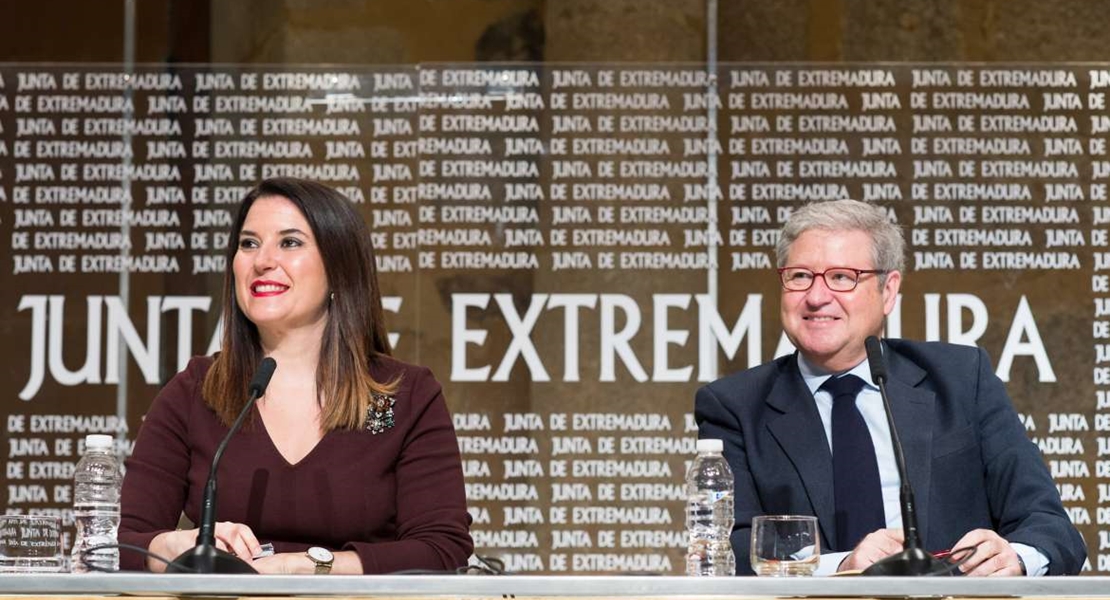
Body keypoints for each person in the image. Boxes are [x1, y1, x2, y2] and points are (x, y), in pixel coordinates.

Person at [695, 199, 1086, 576]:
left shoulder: (962, 379)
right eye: (800, 276)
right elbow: (730, 550)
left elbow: (1049, 525)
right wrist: (840, 568)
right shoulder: (736, 406)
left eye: (842, 277)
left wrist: (1014, 558)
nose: (816, 296)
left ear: (888, 291)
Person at [118, 178, 473, 574]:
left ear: (339, 266)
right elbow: (120, 545)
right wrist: (175, 544)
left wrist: (305, 567)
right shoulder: (194, 391)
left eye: (289, 242)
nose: (262, 260)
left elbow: (442, 550)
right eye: (249, 243)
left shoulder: (407, 395)